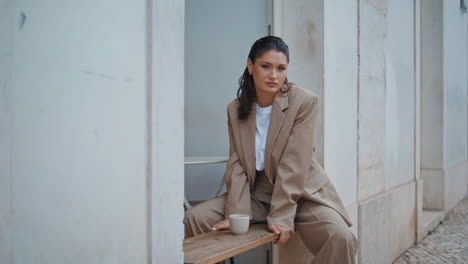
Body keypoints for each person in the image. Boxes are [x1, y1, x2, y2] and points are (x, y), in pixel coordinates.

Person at [184, 36, 357, 263]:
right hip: (257, 196)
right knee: (194, 219)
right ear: (250, 65)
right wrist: (238, 214)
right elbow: (237, 164)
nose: (273, 75)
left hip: (302, 195)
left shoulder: (303, 102)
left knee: (340, 238)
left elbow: (294, 164)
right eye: (266, 66)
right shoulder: (235, 109)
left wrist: (282, 216)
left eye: (280, 68)